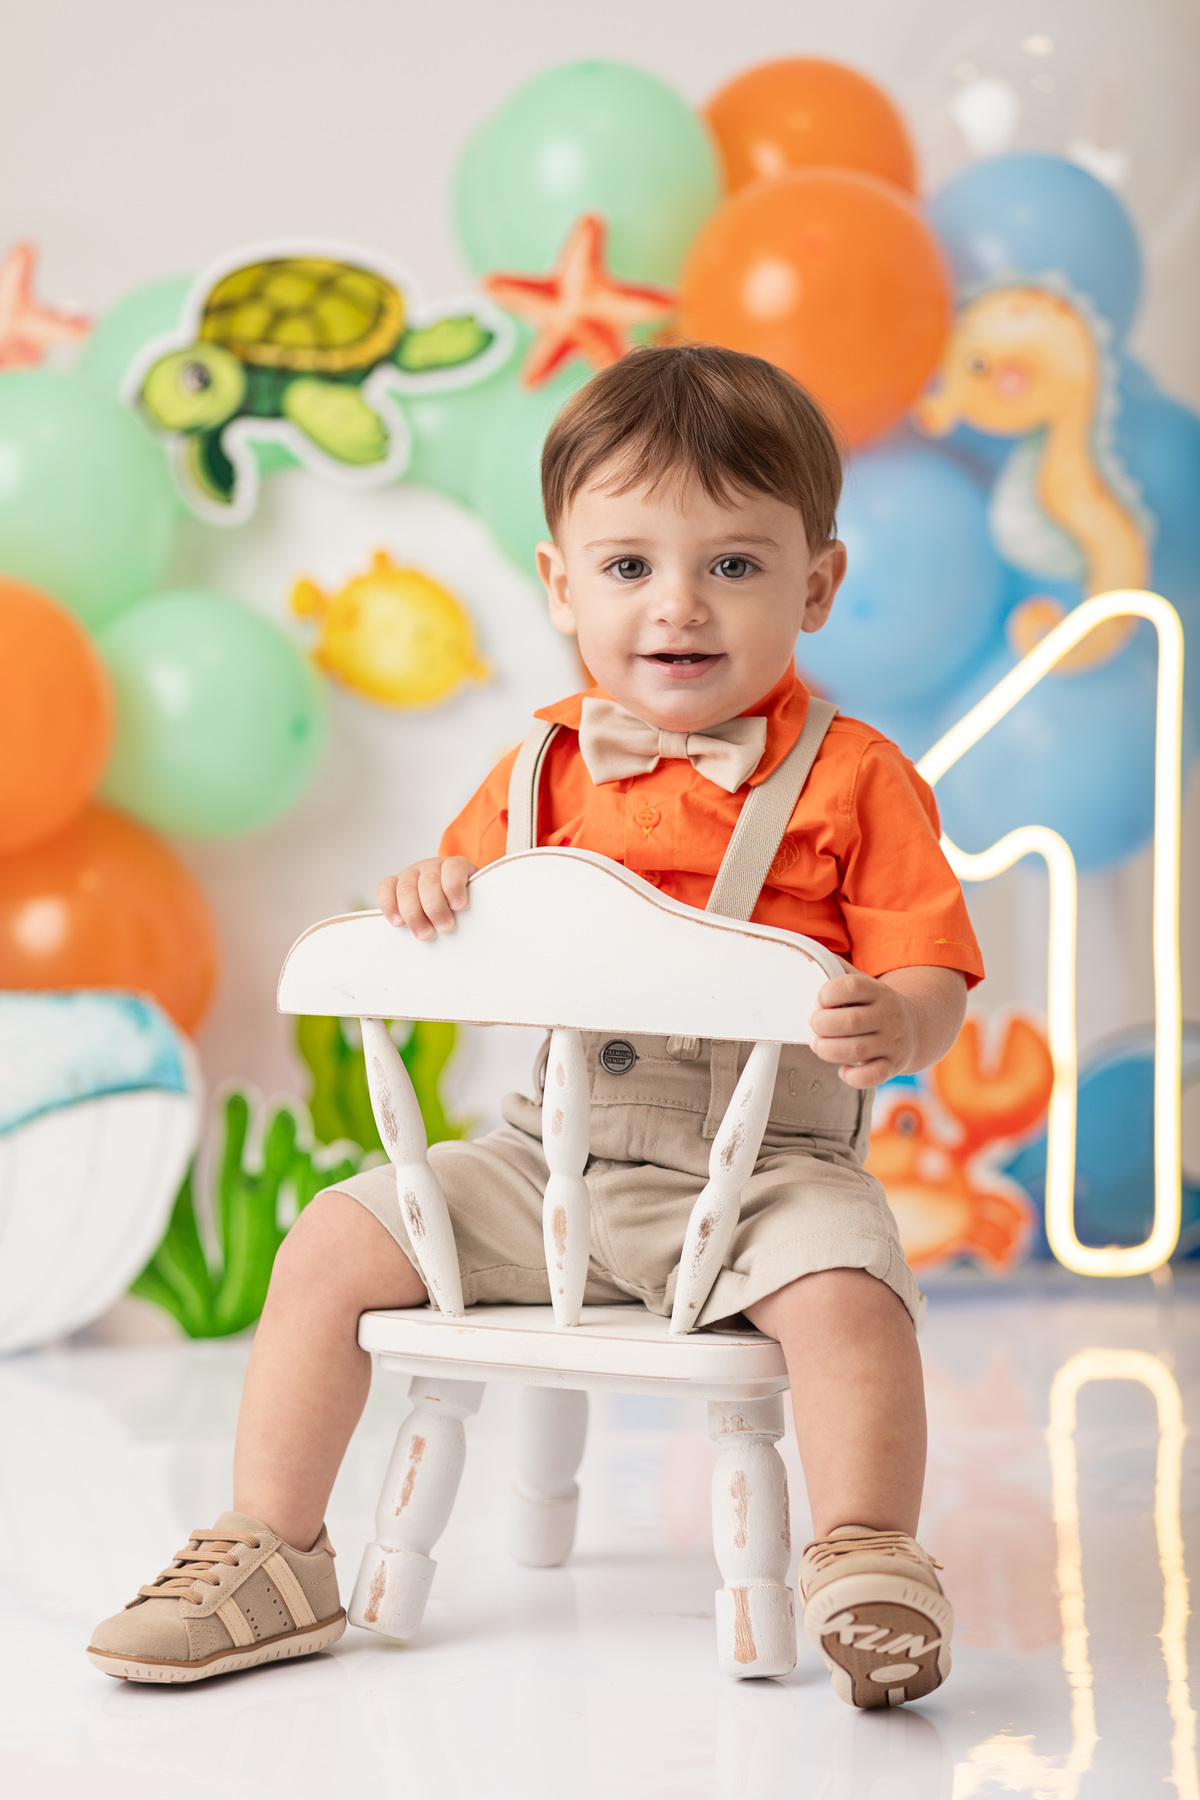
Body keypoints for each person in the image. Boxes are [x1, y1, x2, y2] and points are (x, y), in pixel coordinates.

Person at [89, 344, 981, 1705]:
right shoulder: (541, 771)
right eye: (629, 565)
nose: (678, 604)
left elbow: (932, 968)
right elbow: (456, 912)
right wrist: (429, 895)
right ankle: (271, 1546)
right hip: (547, 1166)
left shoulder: (858, 780)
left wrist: (896, 1022)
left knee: (852, 1299)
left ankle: (865, 1555)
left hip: (763, 1179)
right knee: (327, 1242)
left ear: (816, 583)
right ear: (562, 584)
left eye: (733, 564)